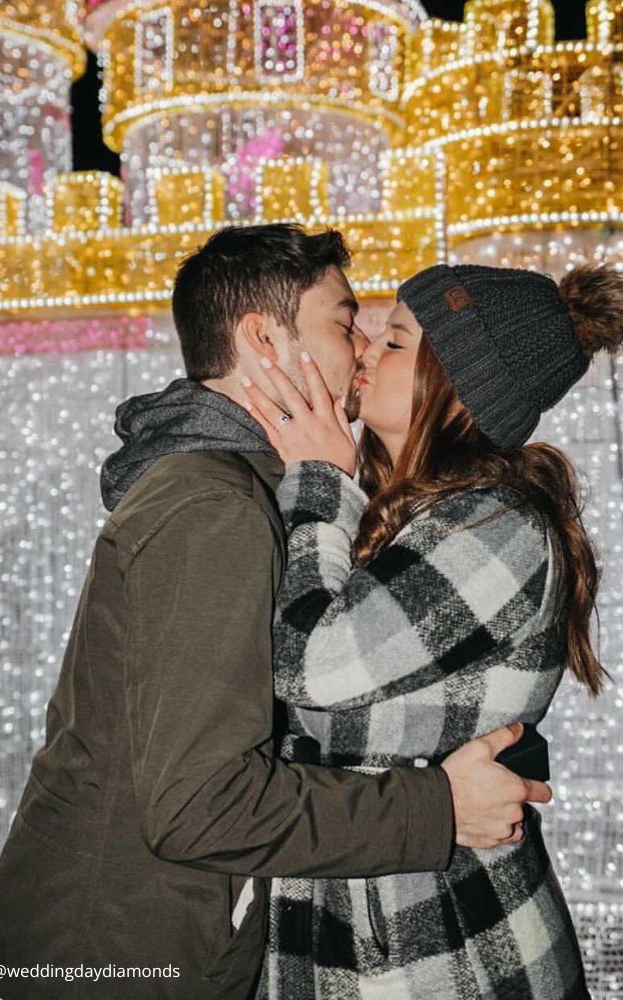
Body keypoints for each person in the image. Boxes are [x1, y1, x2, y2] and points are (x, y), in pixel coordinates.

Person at [0, 227, 550, 1000]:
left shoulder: (248, 490)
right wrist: (436, 806)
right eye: (344, 323)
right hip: (117, 954)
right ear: (261, 339)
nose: (361, 345)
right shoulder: (218, 504)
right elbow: (203, 804)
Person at [241, 261, 618, 998]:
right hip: (339, 920)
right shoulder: (387, 509)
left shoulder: (496, 523)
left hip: (445, 947)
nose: (366, 346)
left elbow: (311, 667)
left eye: (395, 341)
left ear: (455, 385)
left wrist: (318, 478)